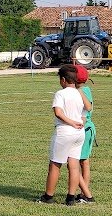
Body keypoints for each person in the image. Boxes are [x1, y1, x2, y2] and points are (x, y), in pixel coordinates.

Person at [36, 64, 92, 206]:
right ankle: (70, 198)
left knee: (55, 164)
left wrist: (72, 122)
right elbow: (88, 108)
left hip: (65, 132)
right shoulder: (80, 93)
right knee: (74, 166)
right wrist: (78, 123)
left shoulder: (60, 94)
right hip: (79, 134)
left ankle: (48, 196)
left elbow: (58, 113)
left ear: (63, 80)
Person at [75, 65, 96, 203]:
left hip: (83, 128)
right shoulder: (87, 89)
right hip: (89, 128)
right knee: (84, 162)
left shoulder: (79, 92)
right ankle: (83, 192)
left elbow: (87, 108)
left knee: (75, 162)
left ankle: (85, 193)